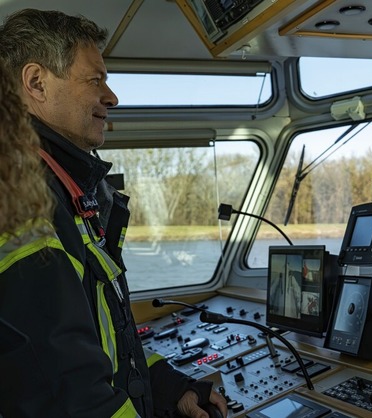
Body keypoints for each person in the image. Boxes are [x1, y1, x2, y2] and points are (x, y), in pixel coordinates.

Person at [0, 9, 227, 418]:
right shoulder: (18, 199)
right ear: (36, 83)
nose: (112, 97)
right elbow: (66, 394)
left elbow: (101, 342)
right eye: (95, 80)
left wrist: (169, 387)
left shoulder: (66, 191)